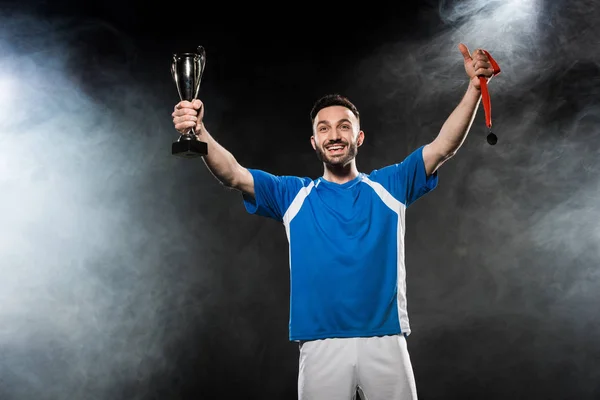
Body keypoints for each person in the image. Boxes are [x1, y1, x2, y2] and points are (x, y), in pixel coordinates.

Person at [171, 43, 496, 400]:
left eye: (344, 126)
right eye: (324, 129)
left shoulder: (391, 185)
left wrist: (473, 87)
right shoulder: (292, 195)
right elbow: (233, 174)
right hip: (320, 341)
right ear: (314, 142)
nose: (334, 135)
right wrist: (198, 131)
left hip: (385, 338)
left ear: (359, 137)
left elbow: (443, 146)